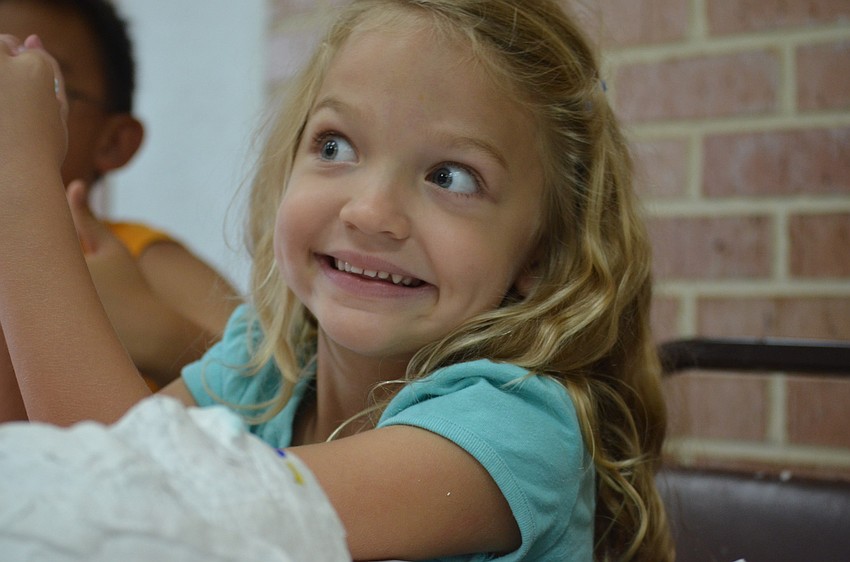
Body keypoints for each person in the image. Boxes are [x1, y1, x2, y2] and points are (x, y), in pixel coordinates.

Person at [0, 0, 674, 560]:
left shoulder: (515, 430)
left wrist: (21, 178)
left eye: (452, 177)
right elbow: (95, 467)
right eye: (335, 146)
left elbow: (113, 499)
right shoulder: (262, 371)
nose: (371, 212)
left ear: (540, 252)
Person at [0, 0, 239, 392]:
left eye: (39, 83)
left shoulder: (132, 259)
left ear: (112, 142)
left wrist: (156, 333)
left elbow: (281, 389)